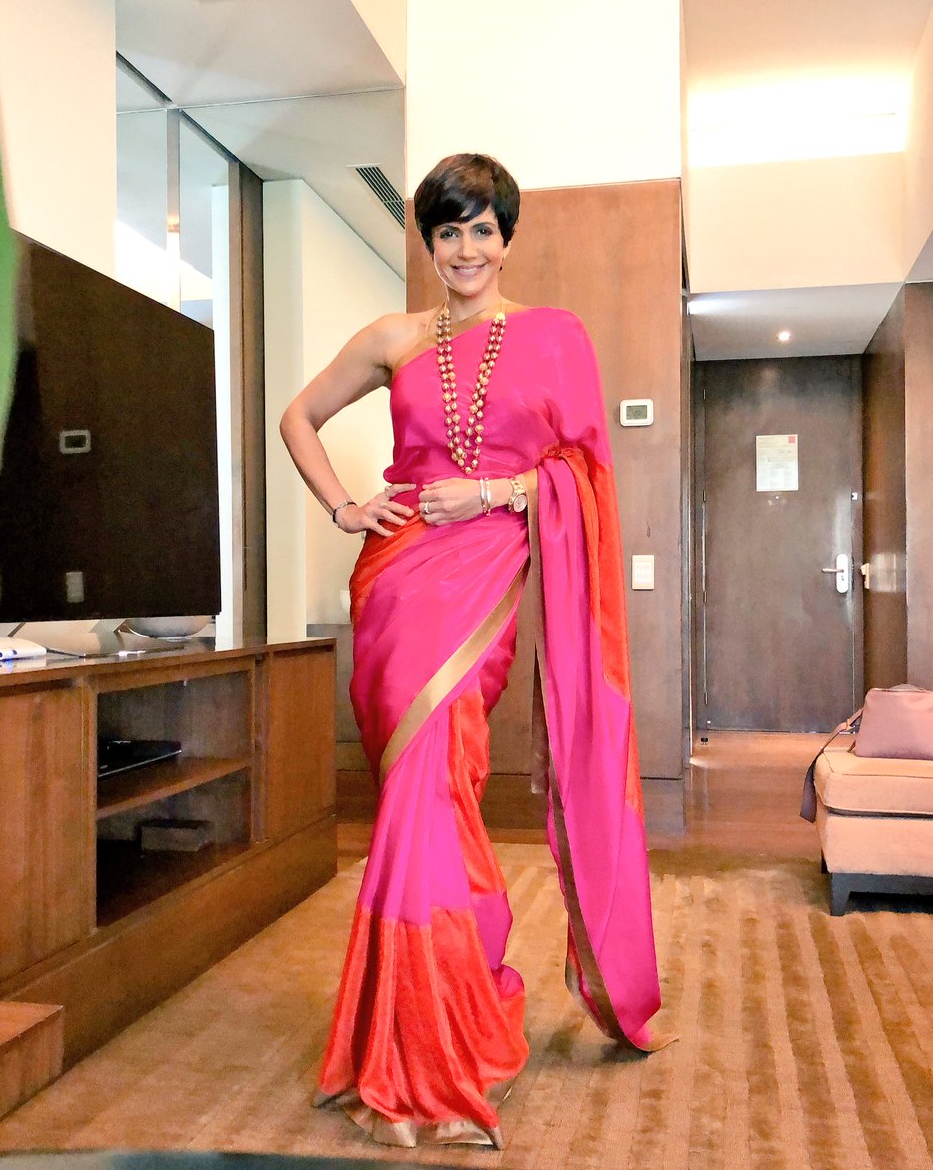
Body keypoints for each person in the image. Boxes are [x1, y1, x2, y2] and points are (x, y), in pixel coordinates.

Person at [280, 152, 669, 1150]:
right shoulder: (392, 337)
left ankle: (432, 1029)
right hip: (396, 578)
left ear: (506, 238)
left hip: (486, 574)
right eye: (447, 231)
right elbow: (298, 416)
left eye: (481, 229)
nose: (465, 249)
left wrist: (494, 492)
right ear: (427, 241)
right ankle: (420, 1027)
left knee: (438, 779)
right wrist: (344, 505)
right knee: (416, 791)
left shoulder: (554, 336)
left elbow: (583, 472)